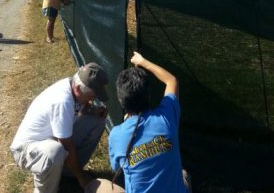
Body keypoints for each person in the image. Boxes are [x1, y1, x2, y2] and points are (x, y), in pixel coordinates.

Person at [10, 62, 109, 193]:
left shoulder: (72, 85)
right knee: (55, 152)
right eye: (92, 96)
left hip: (51, 139)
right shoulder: (62, 101)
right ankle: (48, 189)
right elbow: (66, 145)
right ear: (79, 89)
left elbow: (78, 108)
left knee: (97, 121)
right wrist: (82, 178)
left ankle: (67, 172)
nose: (93, 100)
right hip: (26, 150)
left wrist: (92, 110)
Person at [108, 51, 191, 193]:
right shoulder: (166, 117)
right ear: (148, 95)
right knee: (184, 175)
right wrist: (143, 62)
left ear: (121, 101)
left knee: (97, 185)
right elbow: (171, 80)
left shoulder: (116, 135)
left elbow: (116, 167)